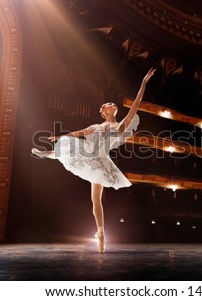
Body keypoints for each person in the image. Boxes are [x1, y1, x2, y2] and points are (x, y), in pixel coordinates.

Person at [31, 68, 156, 253]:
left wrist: (144, 83)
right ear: (103, 111)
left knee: (96, 199)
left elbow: (136, 104)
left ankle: (101, 234)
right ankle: (46, 154)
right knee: (70, 149)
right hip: (90, 155)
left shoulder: (120, 126)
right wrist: (60, 137)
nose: (112, 103)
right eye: (108, 103)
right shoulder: (96, 126)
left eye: (113, 103)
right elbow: (79, 134)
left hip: (100, 161)